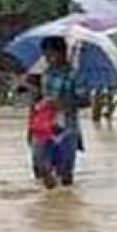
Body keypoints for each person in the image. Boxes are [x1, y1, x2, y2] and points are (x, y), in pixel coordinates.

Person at [41, 36, 86, 186]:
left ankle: (67, 202)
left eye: (50, 54)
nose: (47, 58)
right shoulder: (46, 73)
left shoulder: (74, 75)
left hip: (68, 128)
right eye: (45, 54)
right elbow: (42, 98)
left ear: (61, 53)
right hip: (45, 126)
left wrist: (64, 103)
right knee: (44, 169)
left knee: (65, 172)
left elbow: (85, 101)